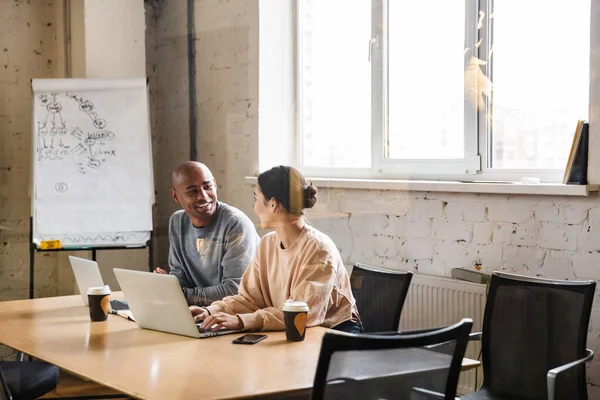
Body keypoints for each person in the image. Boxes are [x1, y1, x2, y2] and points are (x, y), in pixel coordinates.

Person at [190, 165, 362, 334]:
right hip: (295, 332)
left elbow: (300, 314)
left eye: (256, 198)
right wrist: (211, 311)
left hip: (336, 334)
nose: (255, 207)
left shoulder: (319, 249)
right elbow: (249, 299)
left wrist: (242, 321)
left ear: (272, 204)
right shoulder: (267, 244)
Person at [155, 161, 260, 306]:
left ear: (215, 185)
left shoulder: (235, 224)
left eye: (207, 186)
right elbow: (180, 276)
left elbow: (235, 290)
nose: (203, 196)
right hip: (202, 312)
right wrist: (168, 286)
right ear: (175, 196)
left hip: (236, 313)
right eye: (192, 191)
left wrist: (180, 294)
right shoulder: (177, 221)